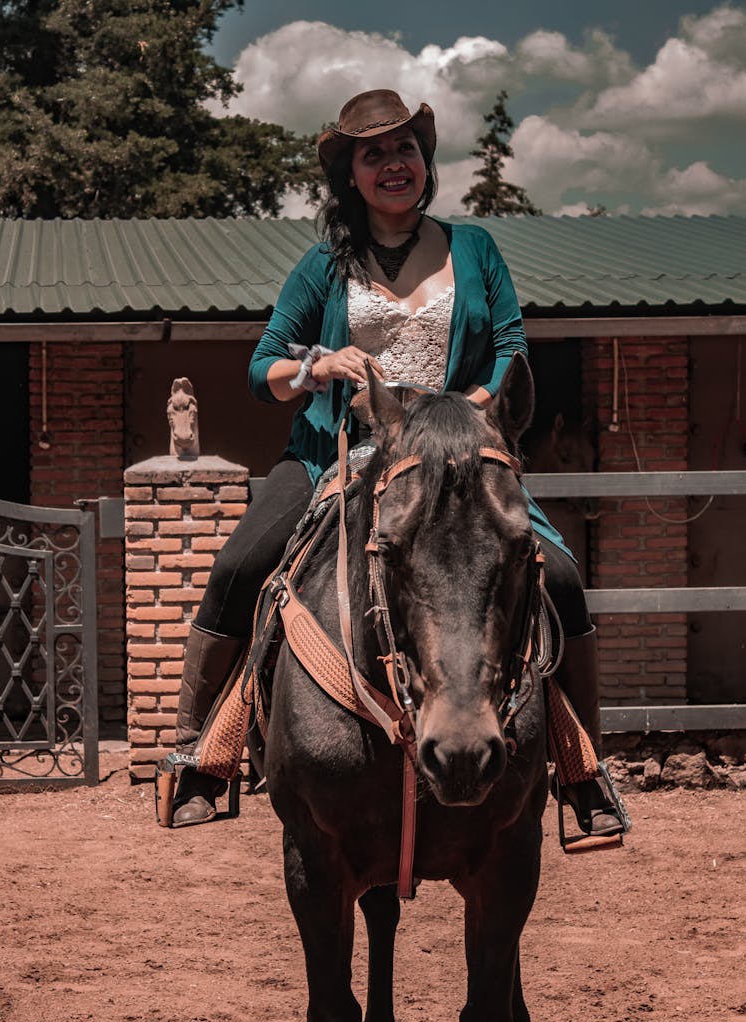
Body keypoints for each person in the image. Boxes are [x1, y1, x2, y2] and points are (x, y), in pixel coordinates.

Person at [170, 89, 625, 839]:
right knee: (239, 565)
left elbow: (511, 347)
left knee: (564, 576)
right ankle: (199, 757)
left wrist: (467, 413)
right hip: (335, 453)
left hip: (458, 455)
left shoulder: (474, 249)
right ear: (351, 173)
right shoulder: (323, 266)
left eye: (405, 148)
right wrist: (315, 366)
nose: (393, 164)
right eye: (373, 153)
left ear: (426, 161)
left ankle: (584, 770)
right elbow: (261, 369)